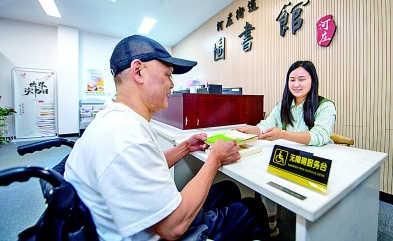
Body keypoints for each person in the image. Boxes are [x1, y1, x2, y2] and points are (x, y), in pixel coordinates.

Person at [64, 35, 270, 241]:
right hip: (162, 232)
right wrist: (215, 158)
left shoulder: (115, 120)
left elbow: (144, 164)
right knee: (251, 209)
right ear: (138, 71)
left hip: (129, 221)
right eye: (167, 75)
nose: (172, 84)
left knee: (227, 189)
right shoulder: (126, 136)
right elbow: (173, 227)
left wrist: (186, 147)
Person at [235, 60, 336, 237]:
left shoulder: (325, 105)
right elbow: (266, 125)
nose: (296, 84)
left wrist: (282, 134)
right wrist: (249, 130)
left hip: (315, 162)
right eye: (292, 79)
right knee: (266, 174)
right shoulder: (282, 105)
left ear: (313, 81)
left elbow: (319, 136)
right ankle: (270, 217)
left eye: (302, 79)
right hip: (288, 158)